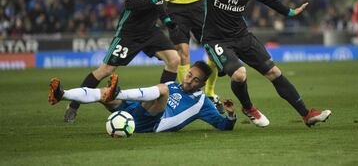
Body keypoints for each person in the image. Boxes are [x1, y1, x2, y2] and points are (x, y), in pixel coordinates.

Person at [164, 0, 332, 127]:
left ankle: (307, 114)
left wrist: (290, 12)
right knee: (239, 74)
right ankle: (248, 107)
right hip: (216, 39)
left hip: (242, 36)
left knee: (274, 72)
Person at [64, 0, 180, 123]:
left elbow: (159, 5)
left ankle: (162, 105)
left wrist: (167, 21)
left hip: (150, 31)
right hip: (129, 32)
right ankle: (73, 105)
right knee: (106, 70)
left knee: (174, 60)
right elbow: (130, 3)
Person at [49, 61, 237, 132]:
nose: (188, 81)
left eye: (195, 80)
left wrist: (230, 115)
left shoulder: (202, 102)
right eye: (189, 75)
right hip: (135, 110)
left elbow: (223, 126)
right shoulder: (175, 84)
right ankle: (62, 95)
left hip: (152, 124)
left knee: (163, 90)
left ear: (202, 85)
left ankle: (119, 92)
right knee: (103, 95)